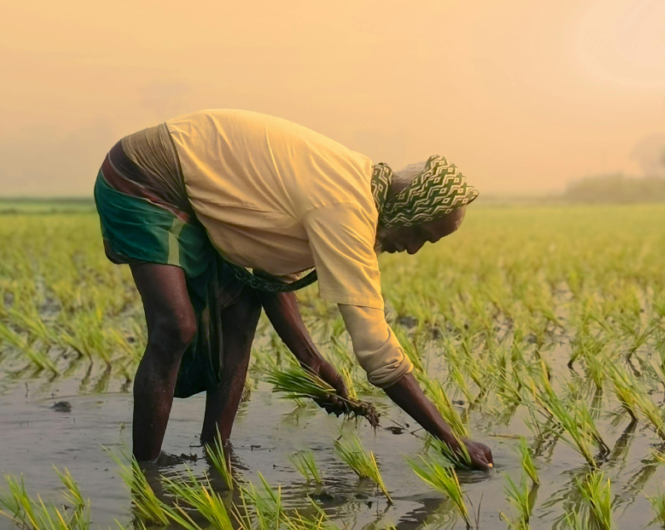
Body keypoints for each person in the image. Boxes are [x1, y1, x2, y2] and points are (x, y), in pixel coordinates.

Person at [93, 109, 493, 470]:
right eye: (421, 234)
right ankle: (147, 471)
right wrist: (451, 440)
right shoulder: (347, 209)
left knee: (242, 307)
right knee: (176, 326)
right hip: (145, 175)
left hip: (195, 192)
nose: (414, 249)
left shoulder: (355, 190)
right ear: (408, 210)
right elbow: (377, 351)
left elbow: (271, 277)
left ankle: (216, 450)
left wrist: (312, 361)